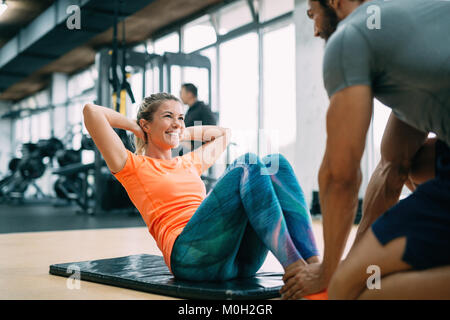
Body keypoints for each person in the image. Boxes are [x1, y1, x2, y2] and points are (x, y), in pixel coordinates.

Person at [281, 0, 450, 299]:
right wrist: (350, 262)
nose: (316, 28)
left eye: (312, 14)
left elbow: (340, 177)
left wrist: (329, 272)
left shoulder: (350, 36)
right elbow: (394, 166)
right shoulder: (409, 23)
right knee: (416, 162)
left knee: (352, 290)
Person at [83, 93, 321, 285]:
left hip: (237, 261)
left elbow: (224, 134)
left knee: (275, 163)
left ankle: (313, 263)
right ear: (146, 124)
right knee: (248, 162)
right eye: (168, 116)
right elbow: (91, 112)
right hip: (190, 258)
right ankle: (295, 267)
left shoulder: (187, 162)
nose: (177, 122)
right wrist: (136, 128)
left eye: (181, 117)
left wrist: (178, 130)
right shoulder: (132, 165)